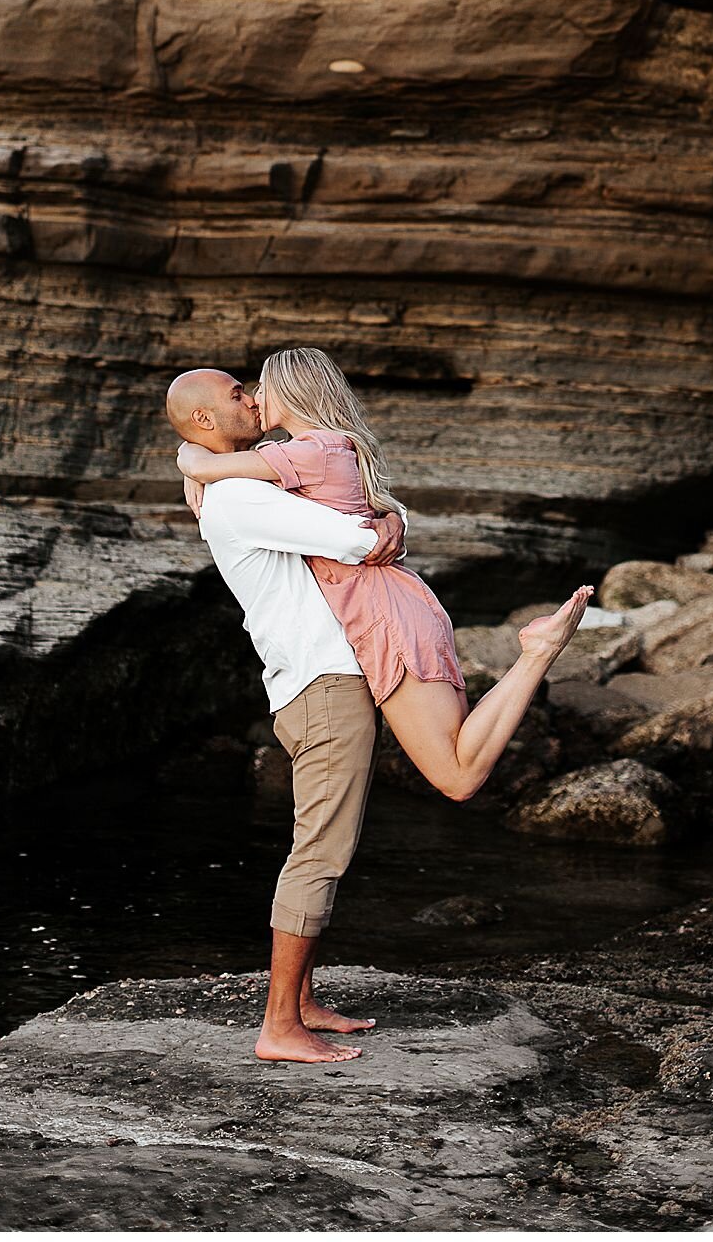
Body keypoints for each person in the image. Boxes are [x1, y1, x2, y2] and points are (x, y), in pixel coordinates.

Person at [165, 362, 592, 1065]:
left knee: (326, 844)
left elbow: (353, 512)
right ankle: (278, 1027)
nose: (251, 398)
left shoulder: (239, 482)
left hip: (326, 675)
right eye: (238, 395)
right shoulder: (239, 495)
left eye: (252, 387)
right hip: (322, 681)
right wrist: (383, 524)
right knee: (321, 850)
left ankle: (299, 1002)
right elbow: (358, 541)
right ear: (207, 422)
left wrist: (388, 514)